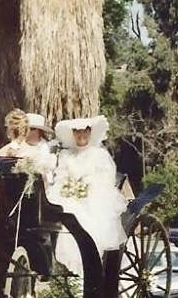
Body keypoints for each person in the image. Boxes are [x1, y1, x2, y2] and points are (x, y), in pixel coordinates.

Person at [46, 115, 127, 277]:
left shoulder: (99, 154)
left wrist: (87, 186)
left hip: (93, 194)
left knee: (82, 212)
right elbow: (60, 175)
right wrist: (68, 186)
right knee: (61, 207)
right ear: (73, 134)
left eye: (85, 132)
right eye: (77, 132)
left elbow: (107, 177)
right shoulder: (66, 155)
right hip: (68, 194)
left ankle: (88, 259)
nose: (81, 135)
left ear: (90, 133)